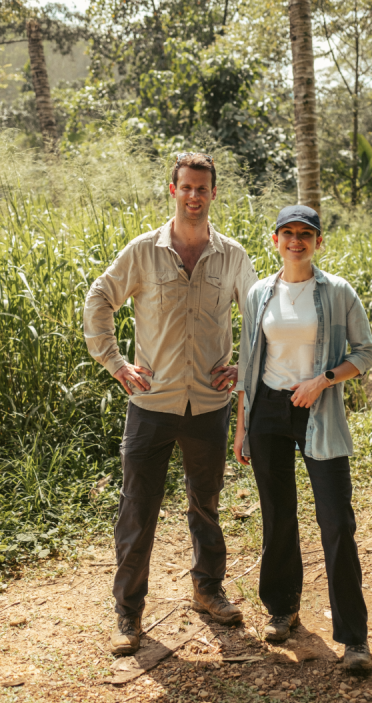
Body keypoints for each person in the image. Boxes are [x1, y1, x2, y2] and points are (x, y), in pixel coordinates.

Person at [84, 152, 258, 655]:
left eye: (203, 188)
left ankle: (208, 591)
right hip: (151, 403)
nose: (194, 196)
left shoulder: (233, 257)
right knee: (138, 510)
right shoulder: (143, 252)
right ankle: (129, 616)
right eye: (186, 187)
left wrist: (245, 370)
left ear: (213, 194)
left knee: (206, 505)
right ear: (172, 189)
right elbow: (100, 298)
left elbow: (261, 316)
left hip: (208, 405)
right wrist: (116, 363)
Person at [233, 205, 372, 671]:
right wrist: (241, 428)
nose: (296, 240)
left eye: (306, 234)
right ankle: (282, 608)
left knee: (336, 520)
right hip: (268, 412)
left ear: (318, 241)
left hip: (319, 409)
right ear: (275, 239)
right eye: (288, 233)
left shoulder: (337, 292)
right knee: (278, 513)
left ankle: (354, 639)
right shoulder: (259, 293)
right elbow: (248, 364)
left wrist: (324, 379)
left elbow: (365, 352)